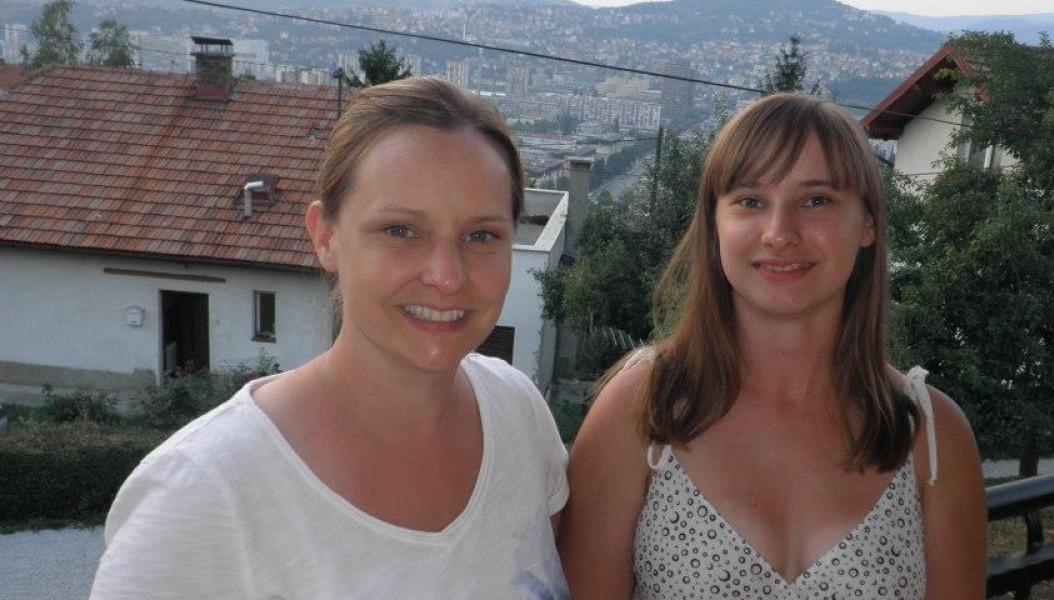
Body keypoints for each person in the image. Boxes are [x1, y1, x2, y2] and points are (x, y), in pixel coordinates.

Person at [91, 78, 569, 599]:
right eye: (400, 231)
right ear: (326, 237)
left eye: (482, 236)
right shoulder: (200, 500)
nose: (447, 276)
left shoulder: (518, 414)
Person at [558, 93, 987, 599]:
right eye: (750, 201)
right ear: (715, 226)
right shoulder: (639, 413)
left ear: (868, 223)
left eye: (817, 201)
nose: (780, 233)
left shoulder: (933, 438)